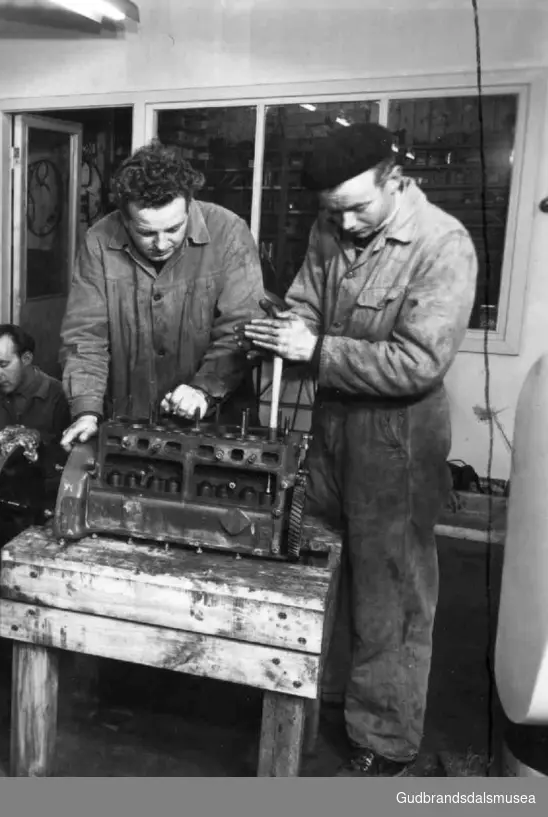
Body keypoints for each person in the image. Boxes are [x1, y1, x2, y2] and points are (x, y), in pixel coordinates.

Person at [242, 122, 478, 777]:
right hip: (331, 430)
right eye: (332, 211)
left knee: (392, 589)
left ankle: (387, 735)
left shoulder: (442, 244)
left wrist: (316, 350)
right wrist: (288, 326)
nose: (344, 224)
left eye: (357, 208)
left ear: (395, 178)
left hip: (399, 439)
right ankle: (326, 694)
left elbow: (419, 361)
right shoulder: (329, 231)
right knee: (316, 565)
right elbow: (306, 304)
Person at [58, 141, 266, 450]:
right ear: (124, 218)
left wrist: (204, 389)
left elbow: (241, 327)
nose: (161, 243)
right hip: (129, 422)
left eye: (174, 228)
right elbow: (85, 335)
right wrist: (86, 410)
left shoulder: (229, 232)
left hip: (218, 424)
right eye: (146, 232)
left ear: (189, 205)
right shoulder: (99, 240)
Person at [0, 323, 71, 477]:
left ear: (26, 358)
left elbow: (68, 462)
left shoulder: (60, 398)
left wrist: (38, 443)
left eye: (3, 364)